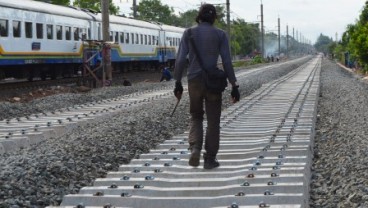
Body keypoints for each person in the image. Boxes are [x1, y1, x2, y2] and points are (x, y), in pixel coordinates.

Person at [173, 3, 240, 170]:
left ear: (199, 16)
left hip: (194, 81)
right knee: (213, 121)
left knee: (196, 116)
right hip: (212, 82)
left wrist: (177, 82)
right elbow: (226, 61)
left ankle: (195, 148)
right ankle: (210, 159)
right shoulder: (220, 35)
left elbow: (181, 60)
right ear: (214, 18)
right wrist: (234, 85)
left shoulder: (188, 33)